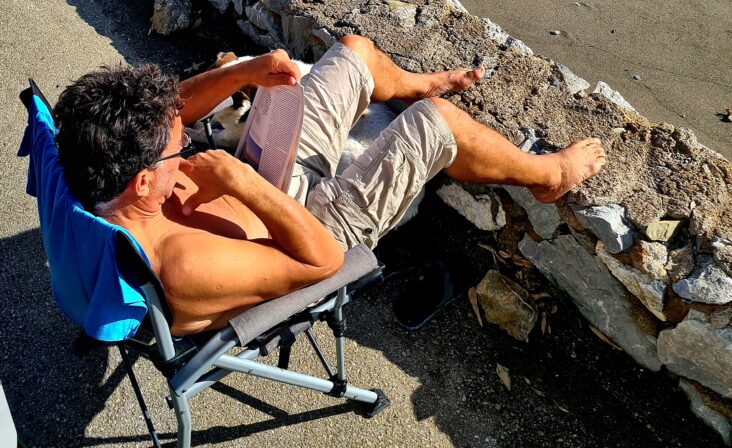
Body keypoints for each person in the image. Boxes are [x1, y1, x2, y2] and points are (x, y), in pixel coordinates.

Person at [53, 36, 606, 335]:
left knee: (355, 52)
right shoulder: (184, 264)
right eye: (181, 149)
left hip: (261, 183)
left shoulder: (84, 156)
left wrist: (244, 73)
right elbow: (320, 261)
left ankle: (410, 84)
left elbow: (172, 110)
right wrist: (240, 182)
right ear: (144, 180)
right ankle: (548, 176)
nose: (190, 143)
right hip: (313, 229)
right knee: (437, 123)